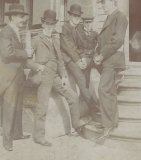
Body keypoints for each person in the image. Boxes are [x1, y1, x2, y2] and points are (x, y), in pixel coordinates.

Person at [26, 9, 92, 147]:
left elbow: (60, 61)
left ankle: (75, 126)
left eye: (52, 24)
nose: (50, 27)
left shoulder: (55, 39)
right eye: (47, 24)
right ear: (43, 24)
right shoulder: (36, 39)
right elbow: (27, 61)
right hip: (43, 77)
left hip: (56, 76)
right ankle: (39, 137)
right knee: (42, 108)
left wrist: (64, 76)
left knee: (73, 97)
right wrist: (38, 66)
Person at [0, 4, 32, 151]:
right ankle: (7, 142)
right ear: (13, 16)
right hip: (9, 77)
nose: (23, 19)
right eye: (21, 16)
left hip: (18, 74)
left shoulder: (15, 32)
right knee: (10, 108)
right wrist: (25, 53)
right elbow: (8, 53)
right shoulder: (5, 32)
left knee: (17, 106)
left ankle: (17, 134)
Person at [94, 0, 128, 140]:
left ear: (114, 2)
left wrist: (101, 55)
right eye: (101, 4)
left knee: (103, 89)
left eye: (105, 3)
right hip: (108, 59)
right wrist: (97, 53)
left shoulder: (120, 17)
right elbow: (103, 39)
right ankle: (113, 122)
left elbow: (117, 40)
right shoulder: (110, 17)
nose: (102, 6)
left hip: (112, 60)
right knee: (110, 91)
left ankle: (107, 125)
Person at [60, 4, 99, 115]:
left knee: (85, 78)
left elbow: (79, 47)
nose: (77, 18)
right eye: (74, 16)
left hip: (74, 57)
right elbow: (69, 47)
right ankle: (93, 106)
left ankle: (89, 107)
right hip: (67, 58)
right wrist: (78, 60)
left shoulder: (76, 29)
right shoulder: (65, 28)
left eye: (78, 16)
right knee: (81, 79)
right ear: (70, 16)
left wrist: (82, 58)